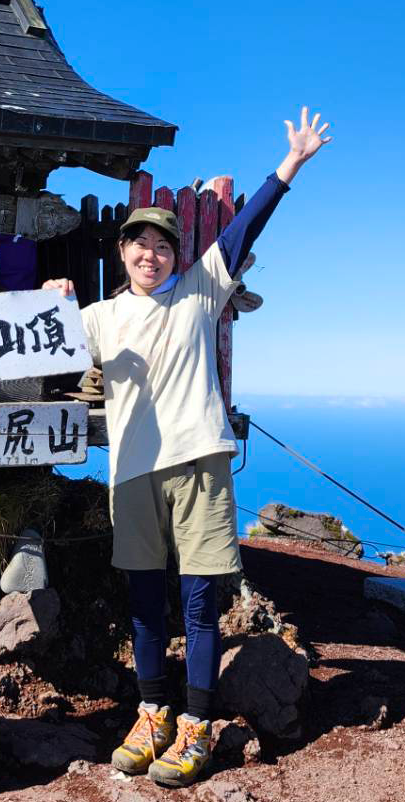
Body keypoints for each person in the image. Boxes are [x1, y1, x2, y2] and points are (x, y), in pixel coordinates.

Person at [43, 107, 331, 787]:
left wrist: (288, 167)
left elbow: (244, 227)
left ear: (178, 256)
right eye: (139, 244)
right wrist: (48, 301)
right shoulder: (99, 318)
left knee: (199, 603)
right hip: (134, 473)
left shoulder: (201, 290)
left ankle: (196, 723)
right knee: (143, 604)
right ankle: (152, 714)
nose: (151, 254)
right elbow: (34, 349)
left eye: (163, 246)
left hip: (199, 464)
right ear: (122, 253)